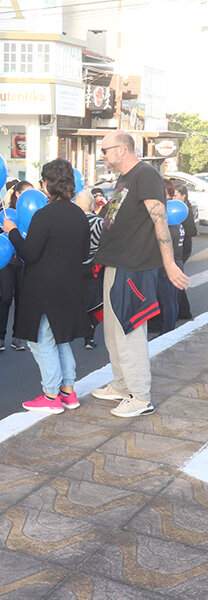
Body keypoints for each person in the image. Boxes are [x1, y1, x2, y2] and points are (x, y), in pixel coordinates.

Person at [91, 131, 189, 418]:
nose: (103, 156)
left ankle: (140, 395)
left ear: (122, 150)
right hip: (116, 263)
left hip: (134, 267)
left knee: (129, 331)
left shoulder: (145, 175)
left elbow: (160, 221)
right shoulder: (125, 178)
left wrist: (169, 263)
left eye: (105, 150)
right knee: (113, 331)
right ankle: (122, 386)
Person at [3, 159, 90, 414]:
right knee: (60, 338)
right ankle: (68, 392)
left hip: (45, 288)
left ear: (47, 184)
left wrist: (12, 231)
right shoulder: (79, 215)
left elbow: (29, 253)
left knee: (40, 341)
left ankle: (51, 394)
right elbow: (84, 253)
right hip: (70, 286)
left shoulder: (44, 215)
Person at [0, 180, 33, 353]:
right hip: (6, 261)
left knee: (22, 300)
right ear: (17, 194)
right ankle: (0, 337)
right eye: (26, 194)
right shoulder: (6, 211)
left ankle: (17, 336)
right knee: (6, 298)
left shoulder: (33, 212)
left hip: (24, 262)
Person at [152, 178, 184, 334]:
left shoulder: (169, 215)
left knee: (168, 301)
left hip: (168, 266)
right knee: (171, 300)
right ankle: (169, 329)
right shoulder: (175, 214)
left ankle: (168, 332)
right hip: (177, 262)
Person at [74, 189, 104, 349]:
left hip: (74, 267)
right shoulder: (99, 222)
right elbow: (104, 245)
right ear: (92, 204)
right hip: (94, 266)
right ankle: (89, 336)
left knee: (77, 299)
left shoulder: (71, 222)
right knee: (95, 300)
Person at [175, 184, 197, 320]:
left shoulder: (184, 210)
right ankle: (182, 311)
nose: (174, 198)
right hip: (179, 247)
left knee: (177, 279)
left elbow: (191, 231)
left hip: (182, 248)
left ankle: (183, 311)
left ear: (183, 196)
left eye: (176, 195)